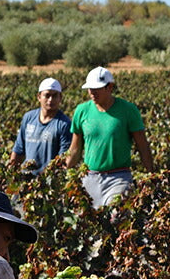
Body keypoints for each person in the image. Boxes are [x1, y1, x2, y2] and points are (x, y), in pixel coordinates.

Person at [65, 66, 154, 208]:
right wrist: (62, 173)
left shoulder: (128, 110)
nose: (92, 93)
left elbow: (142, 146)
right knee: (89, 222)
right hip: (89, 178)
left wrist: (151, 176)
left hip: (119, 177)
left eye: (97, 88)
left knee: (116, 216)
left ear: (110, 87)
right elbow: (75, 149)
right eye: (90, 89)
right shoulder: (82, 111)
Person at [9, 77, 72, 174]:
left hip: (48, 180)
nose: (50, 100)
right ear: (39, 97)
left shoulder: (64, 124)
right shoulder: (28, 118)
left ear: (60, 98)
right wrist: (11, 173)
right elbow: (18, 149)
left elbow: (63, 158)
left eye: (55, 96)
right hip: (26, 177)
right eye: (47, 95)